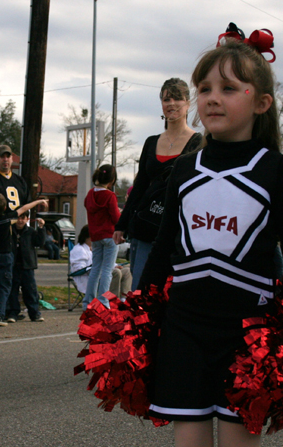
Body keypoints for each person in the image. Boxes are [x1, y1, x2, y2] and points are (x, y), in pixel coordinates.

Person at [139, 36, 283, 447]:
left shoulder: (273, 168)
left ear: (260, 102)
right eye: (204, 89)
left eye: (227, 89)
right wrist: (140, 310)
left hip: (248, 334)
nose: (212, 99)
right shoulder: (184, 169)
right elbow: (165, 248)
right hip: (185, 327)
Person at [113, 79, 202, 290]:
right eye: (166, 98)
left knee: (171, 290)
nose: (172, 103)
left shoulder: (198, 143)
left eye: (177, 98)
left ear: (188, 103)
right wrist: (121, 224)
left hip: (177, 231)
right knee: (142, 290)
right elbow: (140, 185)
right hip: (146, 227)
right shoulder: (151, 142)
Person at [0, 194, 47, 326]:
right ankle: (0, 313)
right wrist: (38, 201)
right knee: (5, 288)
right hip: (6, 256)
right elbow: (24, 208)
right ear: (5, 207)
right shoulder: (6, 219)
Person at [82, 164, 121, 309]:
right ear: (112, 180)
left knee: (95, 269)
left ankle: (88, 302)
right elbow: (116, 217)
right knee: (107, 269)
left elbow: (88, 206)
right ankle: (103, 302)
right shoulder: (110, 196)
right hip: (109, 236)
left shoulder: (90, 194)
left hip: (95, 236)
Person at [68, 225, 132, 309]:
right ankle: (111, 300)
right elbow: (79, 268)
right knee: (115, 273)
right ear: (88, 237)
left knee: (127, 270)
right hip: (88, 275)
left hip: (103, 272)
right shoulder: (79, 250)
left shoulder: (96, 247)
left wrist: (116, 265)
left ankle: (124, 299)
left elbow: (106, 261)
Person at [8, 213, 46, 322]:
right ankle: (13, 313)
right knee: (12, 290)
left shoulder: (30, 232)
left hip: (27, 265)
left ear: (27, 219)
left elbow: (39, 242)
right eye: (18, 218)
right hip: (13, 265)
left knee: (30, 290)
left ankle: (34, 313)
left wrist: (41, 228)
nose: (20, 221)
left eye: (22, 218)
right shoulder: (10, 230)